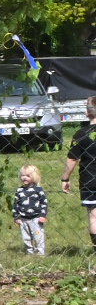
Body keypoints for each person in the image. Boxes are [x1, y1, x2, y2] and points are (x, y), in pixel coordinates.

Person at [62, 97, 96, 251]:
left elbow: (72, 158)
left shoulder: (80, 134)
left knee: (94, 216)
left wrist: (65, 178)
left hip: (90, 179)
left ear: (87, 112)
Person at [13, 165, 49, 256]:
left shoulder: (38, 190)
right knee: (26, 237)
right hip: (23, 219)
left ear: (34, 177)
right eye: (22, 175)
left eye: (28, 176)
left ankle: (40, 253)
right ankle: (29, 253)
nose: (24, 177)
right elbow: (16, 204)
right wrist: (16, 217)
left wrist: (42, 215)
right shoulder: (20, 190)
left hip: (36, 218)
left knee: (38, 236)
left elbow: (44, 203)